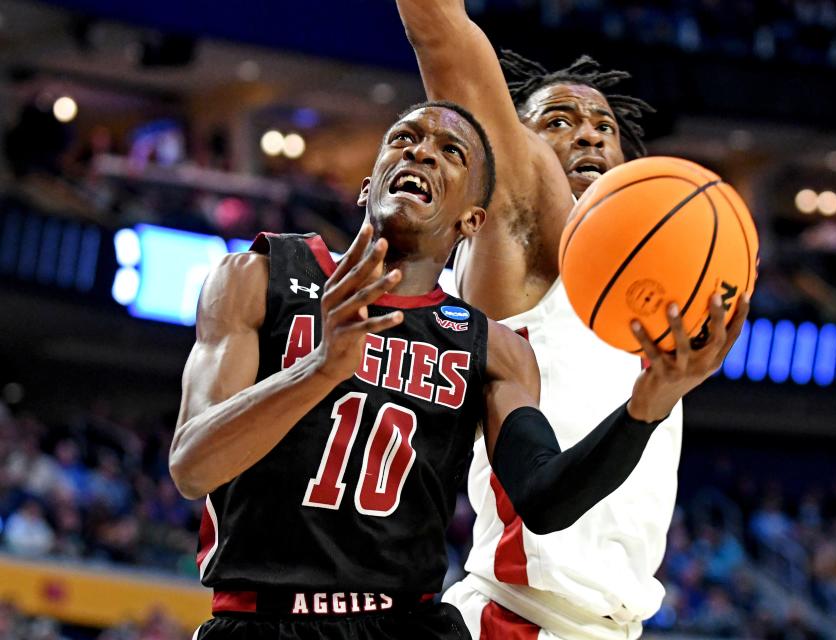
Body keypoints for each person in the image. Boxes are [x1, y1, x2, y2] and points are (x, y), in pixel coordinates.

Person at [169, 101, 744, 640]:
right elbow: (193, 467)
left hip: (404, 623)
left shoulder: (492, 349)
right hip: (263, 619)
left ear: (473, 220)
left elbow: (546, 503)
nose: (420, 152)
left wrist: (647, 408)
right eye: (405, 138)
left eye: (451, 152)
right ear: (368, 186)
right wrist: (318, 370)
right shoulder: (259, 276)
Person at [397, 3, 749, 638]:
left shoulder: (658, 281)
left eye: (603, 126)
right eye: (557, 121)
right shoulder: (522, 225)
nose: (589, 135)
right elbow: (442, 33)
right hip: (517, 616)